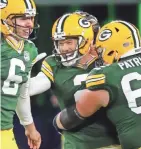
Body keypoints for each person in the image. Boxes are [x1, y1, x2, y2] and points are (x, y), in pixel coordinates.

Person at [30, 11, 120, 149]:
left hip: (113, 141)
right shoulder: (54, 64)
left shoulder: (107, 58)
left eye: (69, 42)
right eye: (60, 43)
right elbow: (34, 85)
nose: (64, 48)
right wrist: (19, 79)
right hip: (75, 143)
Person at [54, 20, 141, 149]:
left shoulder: (107, 75)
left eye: (101, 51)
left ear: (112, 50)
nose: (100, 56)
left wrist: (57, 122)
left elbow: (76, 114)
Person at [1, 0, 43, 148]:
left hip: (5, 129)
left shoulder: (29, 49)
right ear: (5, 19)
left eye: (31, 18)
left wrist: (29, 127)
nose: (30, 24)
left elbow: (22, 91)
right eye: (23, 18)